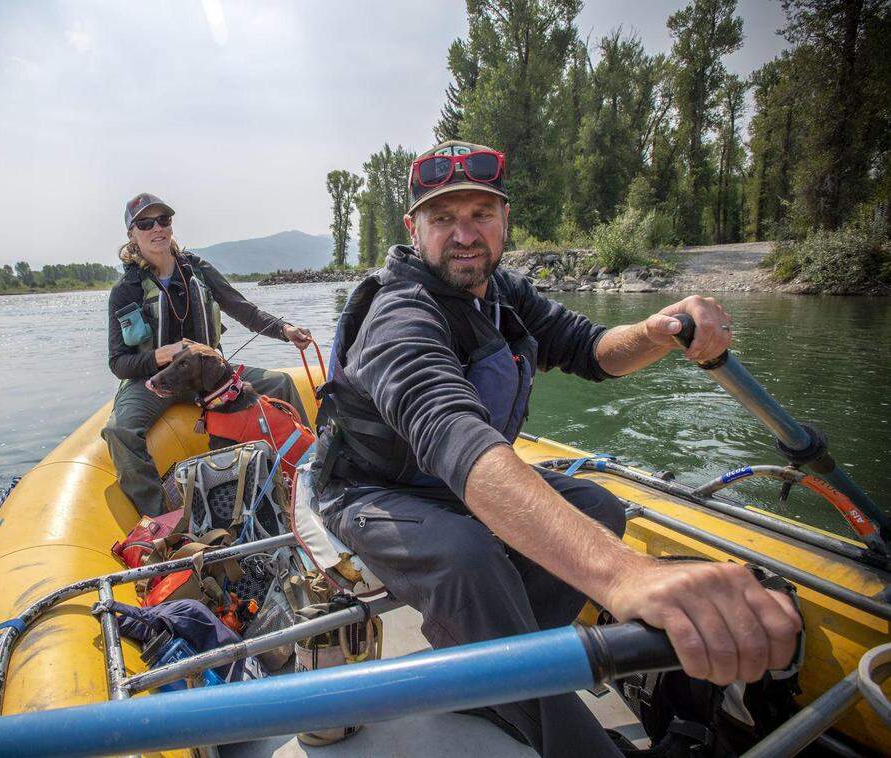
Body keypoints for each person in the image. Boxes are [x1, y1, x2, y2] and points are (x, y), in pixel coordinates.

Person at [313, 142, 802, 757]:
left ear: (505, 221)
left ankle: (494, 673)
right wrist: (626, 575)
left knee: (597, 508)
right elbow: (453, 434)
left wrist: (657, 330)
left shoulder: (502, 292)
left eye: (481, 216)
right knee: (466, 555)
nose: (465, 235)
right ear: (414, 230)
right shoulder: (398, 315)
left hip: (446, 487)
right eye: (443, 219)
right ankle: (553, 722)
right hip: (372, 492)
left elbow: (591, 349)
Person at [104, 192, 312, 516]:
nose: (157, 228)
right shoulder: (125, 290)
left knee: (281, 383)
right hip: (154, 381)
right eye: (146, 223)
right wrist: (162, 355)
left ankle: (309, 475)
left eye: (164, 220)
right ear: (132, 234)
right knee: (119, 431)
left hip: (209, 377)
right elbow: (118, 362)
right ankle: (165, 521)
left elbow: (242, 308)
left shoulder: (197, 269)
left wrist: (284, 330)